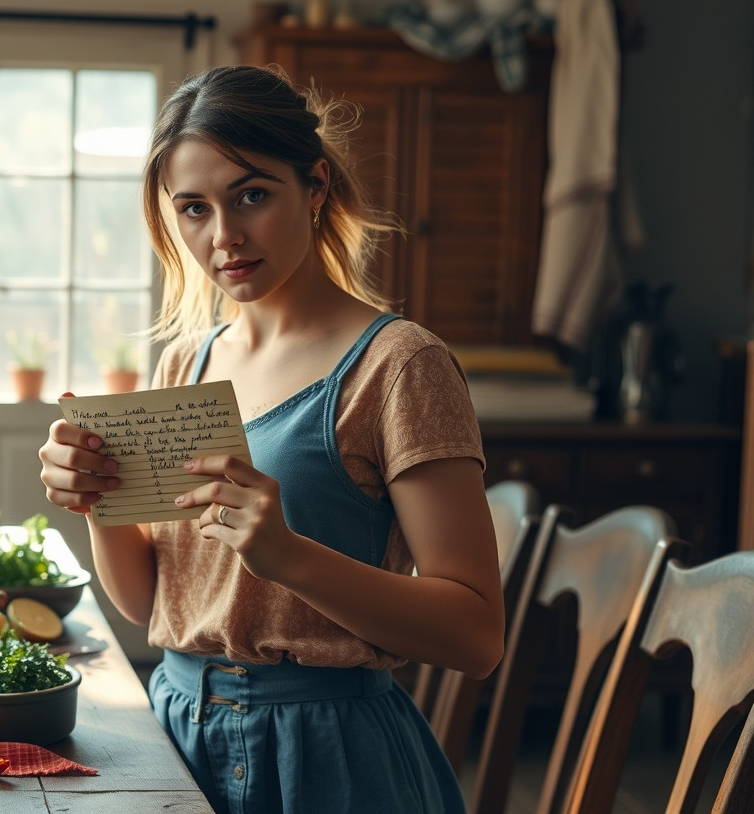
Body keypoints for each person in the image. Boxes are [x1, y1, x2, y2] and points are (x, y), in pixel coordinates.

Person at [37, 65, 503, 814]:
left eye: (251, 195)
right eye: (194, 209)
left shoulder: (400, 365)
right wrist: (100, 501)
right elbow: (150, 604)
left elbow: (476, 637)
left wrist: (288, 556)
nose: (224, 236)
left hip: (331, 757)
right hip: (178, 733)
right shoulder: (184, 364)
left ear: (314, 185)